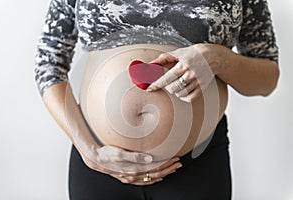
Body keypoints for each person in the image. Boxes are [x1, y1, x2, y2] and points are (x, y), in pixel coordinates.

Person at [35, 0, 279, 199]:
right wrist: (90, 151)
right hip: (101, 165)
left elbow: (267, 78)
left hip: (196, 166)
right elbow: (49, 63)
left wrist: (218, 58)